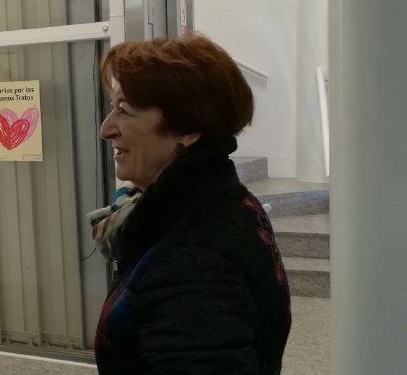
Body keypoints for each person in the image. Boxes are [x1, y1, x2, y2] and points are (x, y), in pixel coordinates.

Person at [91, 33, 291, 374]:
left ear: (187, 128)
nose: (106, 128)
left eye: (124, 110)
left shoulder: (195, 261)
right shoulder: (219, 201)